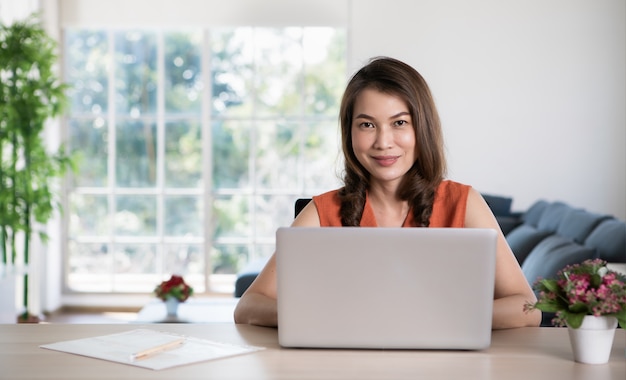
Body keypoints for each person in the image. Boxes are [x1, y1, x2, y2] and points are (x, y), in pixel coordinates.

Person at [234, 56, 541, 329]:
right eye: (367, 125)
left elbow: (528, 309)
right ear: (349, 132)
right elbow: (249, 306)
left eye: (399, 123)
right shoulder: (321, 211)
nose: (383, 142)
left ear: (422, 128)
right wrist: (329, 315)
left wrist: (432, 317)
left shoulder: (463, 202)